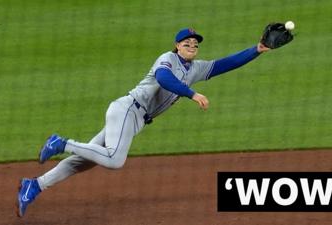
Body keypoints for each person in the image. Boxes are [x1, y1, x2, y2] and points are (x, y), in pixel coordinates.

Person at [16, 28, 271, 217]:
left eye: (195, 43)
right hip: (127, 109)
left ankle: (34, 185)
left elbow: (226, 63)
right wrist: (193, 94)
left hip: (134, 119)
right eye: (187, 42)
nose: (192, 45)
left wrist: (257, 49)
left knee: (82, 163)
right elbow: (164, 79)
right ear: (177, 45)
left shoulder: (196, 68)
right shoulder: (167, 59)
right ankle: (61, 142)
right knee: (115, 160)